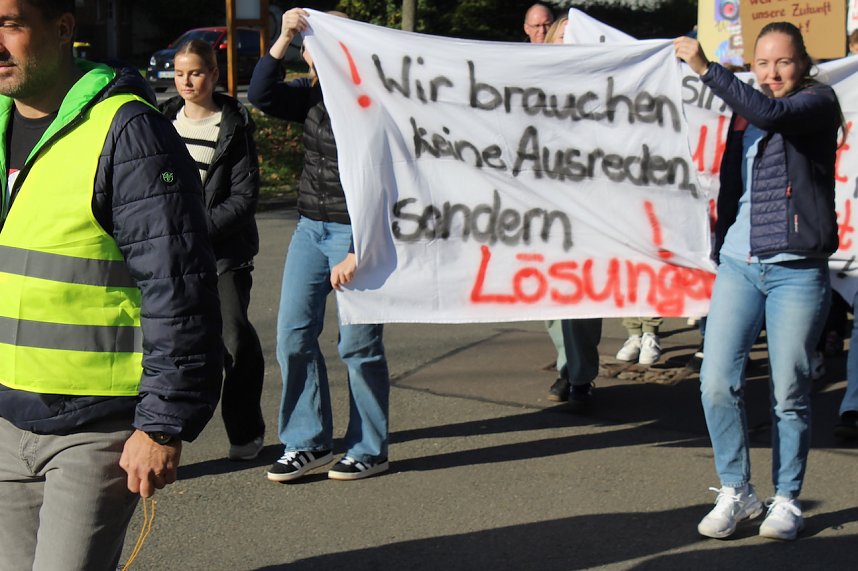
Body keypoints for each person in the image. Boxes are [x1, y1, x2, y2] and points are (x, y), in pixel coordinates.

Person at [0, 1, 223, 569]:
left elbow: (179, 287)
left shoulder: (127, 131)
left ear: (63, 28)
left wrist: (162, 424)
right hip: (5, 419)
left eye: (9, 25)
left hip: (93, 430)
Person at [674, 22, 844, 541]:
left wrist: (706, 67)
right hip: (740, 265)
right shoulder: (744, 115)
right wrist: (721, 241)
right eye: (762, 64)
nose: (771, 75)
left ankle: (787, 498)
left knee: (789, 389)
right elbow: (733, 183)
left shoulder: (818, 102)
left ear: (804, 63)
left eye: (783, 63)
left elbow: (774, 112)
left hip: (796, 271)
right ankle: (737, 490)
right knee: (715, 382)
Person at [248, 8, 391, 482]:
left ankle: (370, 447)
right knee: (292, 335)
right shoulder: (310, 96)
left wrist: (362, 248)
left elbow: (392, 179)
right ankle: (307, 442)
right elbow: (260, 94)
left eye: (317, 40)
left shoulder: (378, 100)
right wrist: (284, 35)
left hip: (358, 233)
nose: (311, 51)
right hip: (311, 229)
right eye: (309, 41)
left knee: (359, 345)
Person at [160, 40, 266, 462]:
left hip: (221, 254)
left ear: (214, 74)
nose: (187, 81)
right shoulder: (160, 120)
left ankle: (245, 431)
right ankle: (156, 435)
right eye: (181, 73)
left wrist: (193, 232)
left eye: (197, 72)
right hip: (166, 255)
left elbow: (242, 199)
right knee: (166, 344)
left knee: (235, 339)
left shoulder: (234, 126)